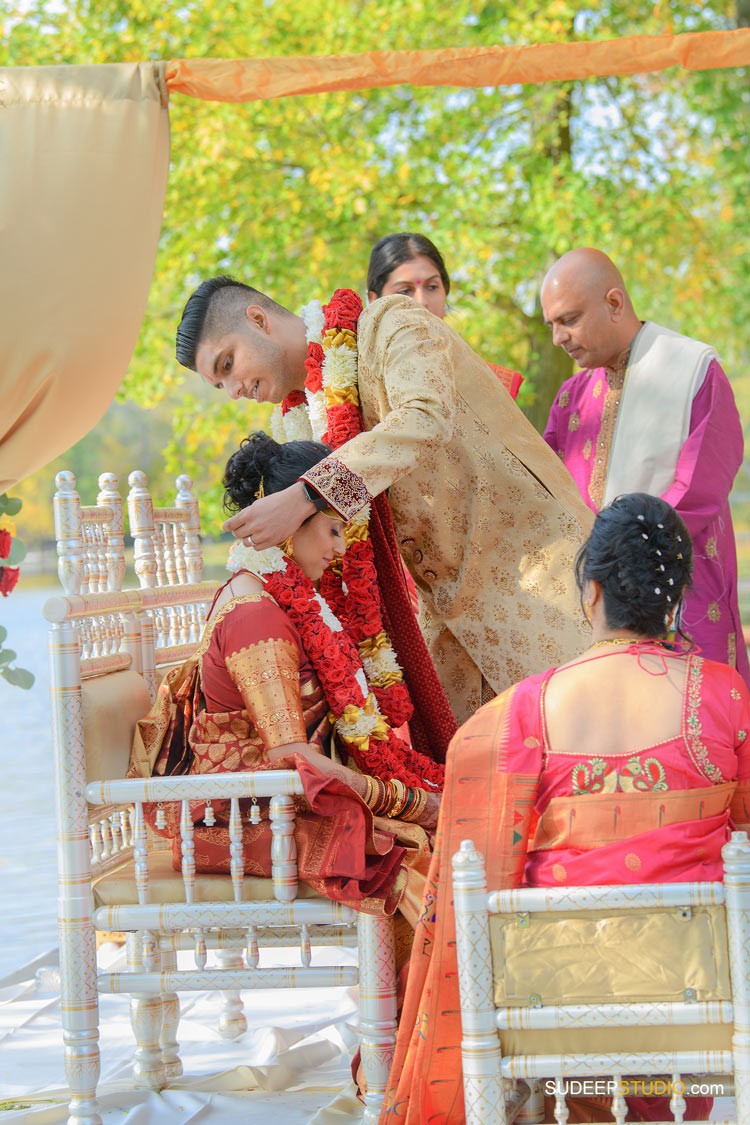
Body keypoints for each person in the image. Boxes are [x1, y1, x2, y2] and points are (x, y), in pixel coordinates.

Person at [382, 493, 750, 1123]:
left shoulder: (507, 722)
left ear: (591, 592)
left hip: (551, 994)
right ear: (676, 595)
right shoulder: (725, 695)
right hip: (698, 988)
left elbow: (479, 864)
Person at [175, 276, 593, 724]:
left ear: (258, 320)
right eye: (219, 386)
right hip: (446, 618)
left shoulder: (392, 322)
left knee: (585, 746)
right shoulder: (306, 419)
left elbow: (426, 417)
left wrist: (308, 495)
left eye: (227, 364)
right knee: (486, 778)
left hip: (538, 575)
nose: (234, 390)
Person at [128, 433, 439, 920]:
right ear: (287, 520)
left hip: (279, 803)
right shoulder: (259, 616)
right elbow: (294, 762)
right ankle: (428, 994)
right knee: (430, 854)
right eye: (332, 530)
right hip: (243, 818)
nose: (339, 550)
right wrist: (416, 804)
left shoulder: (277, 595)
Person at [542, 246, 749, 687]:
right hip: (592, 601)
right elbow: (544, 487)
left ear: (614, 303)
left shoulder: (692, 370)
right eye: (552, 325)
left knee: (696, 722)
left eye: (570, 319)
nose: (558, 337)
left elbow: (702, 485)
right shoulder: (570, 398)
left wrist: (619, 562)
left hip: (680, 584)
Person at [366, 231, 524, 399]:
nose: (421, 301)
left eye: (432, 286)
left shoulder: (490, 386)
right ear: (375, 301)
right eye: (405, 290)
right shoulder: (349, 387)